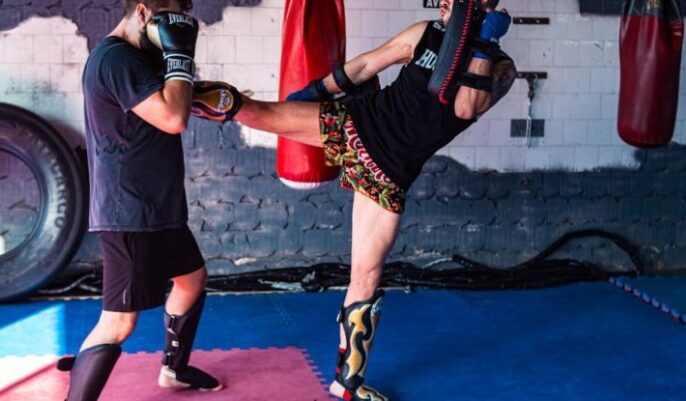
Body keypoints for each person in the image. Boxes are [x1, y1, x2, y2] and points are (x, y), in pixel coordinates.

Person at [191, 1, 515, 400]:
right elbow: (363, 67)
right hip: (360, 123)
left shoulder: (500, 68)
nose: (445, 2)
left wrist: (483, 41)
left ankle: (346, 385)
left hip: (391, 171)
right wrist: (313, 93)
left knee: (366, 277)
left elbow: (466, 107)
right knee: (257, 110)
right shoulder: (424, 33)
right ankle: (177, 89)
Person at [56, 1, 223, 400]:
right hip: (129, 212)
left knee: (192, 279)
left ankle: (174, 371)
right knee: (118, 322)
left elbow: (171, 100)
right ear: (145, 13)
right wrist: (181, 55)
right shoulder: (116, 59)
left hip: (158, 204)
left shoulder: (139, 57)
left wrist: (212, 96)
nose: (173, 32)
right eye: (169, 22)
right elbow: (172, 118)